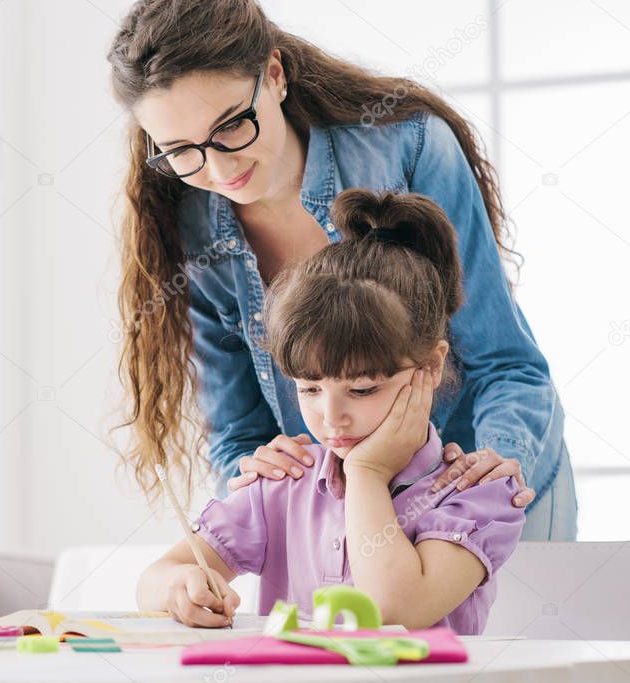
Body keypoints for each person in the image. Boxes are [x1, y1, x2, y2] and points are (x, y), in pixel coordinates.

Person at [107, 0, 576, 539]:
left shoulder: (407, 147)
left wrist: (494, 468)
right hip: (351, 520)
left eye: (233, 125)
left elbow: (508, 367)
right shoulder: (192, 227)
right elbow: (238, 436)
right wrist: (256, 472)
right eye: (179, 151)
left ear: (275, 76)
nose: (218, 167)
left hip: (487, 480)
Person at [136, 189, 526, 634]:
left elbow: (396, 610)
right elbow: (155, 578)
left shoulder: (478, 494)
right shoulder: (286, 481)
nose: (330, 416)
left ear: (431, 366)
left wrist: (367, 473)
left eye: (362, 389)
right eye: (309, 387)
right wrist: (180, 586)